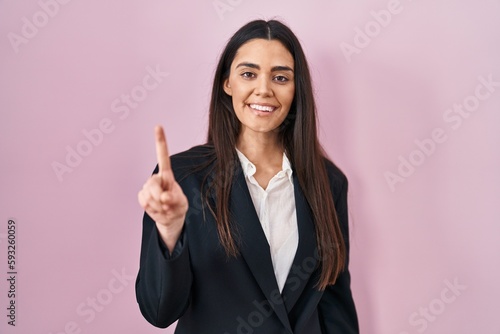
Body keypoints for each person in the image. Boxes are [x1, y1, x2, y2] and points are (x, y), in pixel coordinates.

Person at [135, 19, 359, 333]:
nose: (264, 89)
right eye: (248, 74)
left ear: (297, 89)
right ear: (227, 83)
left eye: (280, 77)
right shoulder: (183, 180)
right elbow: (159, 312)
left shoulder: (329, 182)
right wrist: (170, 231)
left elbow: (335, 304)